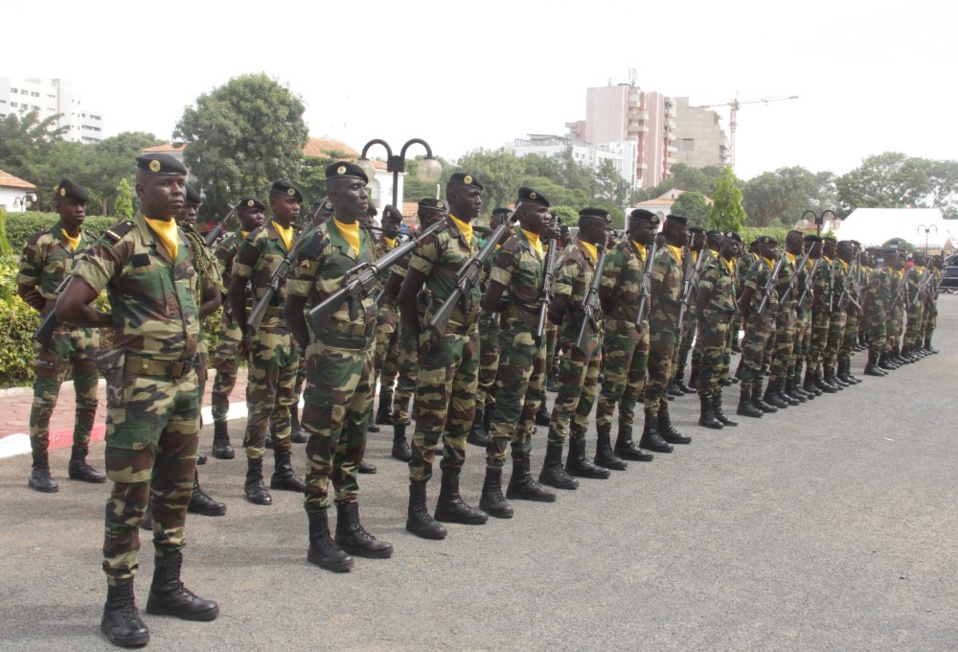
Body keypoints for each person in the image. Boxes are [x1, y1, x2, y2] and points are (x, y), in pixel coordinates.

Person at [56, 153, 220, 647]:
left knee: (176, 492)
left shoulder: (186, 241)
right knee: (131, 497)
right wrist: (117, 325)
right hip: (141, 389)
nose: (176, 191)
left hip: (185, 386)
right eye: (166, 183)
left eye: (180, 184)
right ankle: (119, 605)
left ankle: (167, 587)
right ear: (142, 189)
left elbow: (211, 294)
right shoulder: (122, 240)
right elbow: (70, 304)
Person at [285, 161, 393, 572]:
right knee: (322, 447)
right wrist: (315, 351)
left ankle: (350, 526)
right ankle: (319, 537)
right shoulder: (316, 242)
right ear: (332, 195)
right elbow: (294, 307)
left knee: (352, 444)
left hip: (363, 360)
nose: (362, 194)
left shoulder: (366, 237)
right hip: (331, 360)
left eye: (364, 189)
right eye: (352, 188)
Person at [399, 173, 488, 540]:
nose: (478, 200)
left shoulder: (479, 240)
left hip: (468, 342)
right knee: (430, 424)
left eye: (480, 195)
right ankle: (417, 509)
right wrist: (422, 336)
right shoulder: (434, 238)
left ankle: (449, 498)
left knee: (461, 421)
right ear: (453, 196)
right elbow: (405, 294)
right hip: (441, 343)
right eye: (471, 194)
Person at [16, 178, 104, 492]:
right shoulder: (42, 242)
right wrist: (51, 311)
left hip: (86, 335)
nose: (79, 210)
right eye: (72, 205)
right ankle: (39, 468)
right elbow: (25, 287)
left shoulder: (94, 244)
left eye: (82, 205)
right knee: (45, 402)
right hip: (55, 335)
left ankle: (79, 461)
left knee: (89, 401)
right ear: (59, 207)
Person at [479, 188, 556, 517]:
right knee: (508, 412)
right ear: (524, 214)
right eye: (541, 212)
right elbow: (490, 301)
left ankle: (521, 478)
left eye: (548, 213)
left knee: (530, 411)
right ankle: (492, 486)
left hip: (537, 343)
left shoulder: (544, 248)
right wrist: (521, 306)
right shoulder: (513, 248)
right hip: (515, 344)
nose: (547, 218)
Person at [229, 180, 307, 505]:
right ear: (274, 204)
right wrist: (247, 331)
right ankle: (253, 477)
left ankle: (284, 470)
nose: (296, 208)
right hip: (266, 330)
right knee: (262, 404)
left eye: (298, 204)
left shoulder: (303, 240)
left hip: (292, 333)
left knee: (287, 403)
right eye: (289, 203)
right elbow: (235, 288)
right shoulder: (257, 241)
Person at [538, 207, 613, 490]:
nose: (607, 234)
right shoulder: (573, 256)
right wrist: (569, 330)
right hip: (576, 338)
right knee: (568, 401)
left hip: (592, 338)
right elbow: (558, 304)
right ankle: (552, 465)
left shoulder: (593, 256)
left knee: (586, 397)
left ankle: (577, 457)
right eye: (605, 228)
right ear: (593, 229)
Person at [381, 199, 448, 462]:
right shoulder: (411, 247)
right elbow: (393, 289)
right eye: (441, 218)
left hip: (435, 323)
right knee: (408, 381)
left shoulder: (439, 244)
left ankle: (424, 437)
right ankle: (399, 439)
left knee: (429, 383)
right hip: (413, 323)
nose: (446, 222)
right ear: (431, 219)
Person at [593, 208, 660, 464]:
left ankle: (626, 440)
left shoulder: (645, 255)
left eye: (654, 229)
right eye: (647, 228)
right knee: (613, 388)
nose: (652, 233)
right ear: (633, 228)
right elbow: (605, 292)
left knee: (634, 386)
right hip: (621, 328)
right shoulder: (620, 253)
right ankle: (603, 446)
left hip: (641, 327)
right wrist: (618, 318)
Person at [176, 185, 227, 517]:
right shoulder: (138, 238)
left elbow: (215, 294)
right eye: (188, 206)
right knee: (154, 425)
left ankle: (188, 487)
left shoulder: (193, 242)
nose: (193, 211)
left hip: (192, 344)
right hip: (153, 351)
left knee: (189, 418)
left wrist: (189, 321)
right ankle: (156, 497)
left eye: (197, 207)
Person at [210, 196, 266, 459]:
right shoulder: (230, 243)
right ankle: (220, 434)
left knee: (259, 377)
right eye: (253, 212)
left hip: (260, 316)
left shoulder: (266, 241)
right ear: (241, 213)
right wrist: (226, 300)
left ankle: (253, 432)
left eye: (261, 213)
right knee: (226, 374)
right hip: (235, 317)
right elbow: (213, 276)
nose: (258, 217)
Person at [642, 215, 692, 448]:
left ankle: (663, 425)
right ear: (672, 231)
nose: (688, 234)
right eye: (684, 230)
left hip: (673, 325)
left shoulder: (677, 256)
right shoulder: (664, 256)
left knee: (666, 377)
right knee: (658, 378)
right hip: (661, 327)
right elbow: (651, 288)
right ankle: (650, 431)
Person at [469, 206, 514, 447]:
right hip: (484, 321)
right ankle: (475, 425)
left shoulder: (506, 250)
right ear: (494, 221)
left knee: (495, 373)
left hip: (498, 323)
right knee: (484, 374)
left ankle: (488, 421)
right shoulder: (485, 248)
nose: (510, 228)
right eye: (506, 223)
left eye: (511, 225)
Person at [693, 231, 740, 428]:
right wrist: (702, 327)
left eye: (738, 244)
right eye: (731, 243)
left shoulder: (731, 267)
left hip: (726, 325)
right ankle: (706, 413)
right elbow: (701, 299)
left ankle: (717, 408)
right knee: (710, 368)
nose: (735, 247)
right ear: (721, 245)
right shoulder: (713, 267)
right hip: (713, 326)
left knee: (722, 368)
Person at [736, 236, 780, 417]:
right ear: (762, 248)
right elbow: (745, 297)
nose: (775, 250)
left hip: (768, 322)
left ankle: (756, 398)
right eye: (771, 247)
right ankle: (744, 402)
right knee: (751, 363)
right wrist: (747, 320)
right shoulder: (758, 267)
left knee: (763, 362)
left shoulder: (771, 266)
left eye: (777, 247)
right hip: (758, 322)